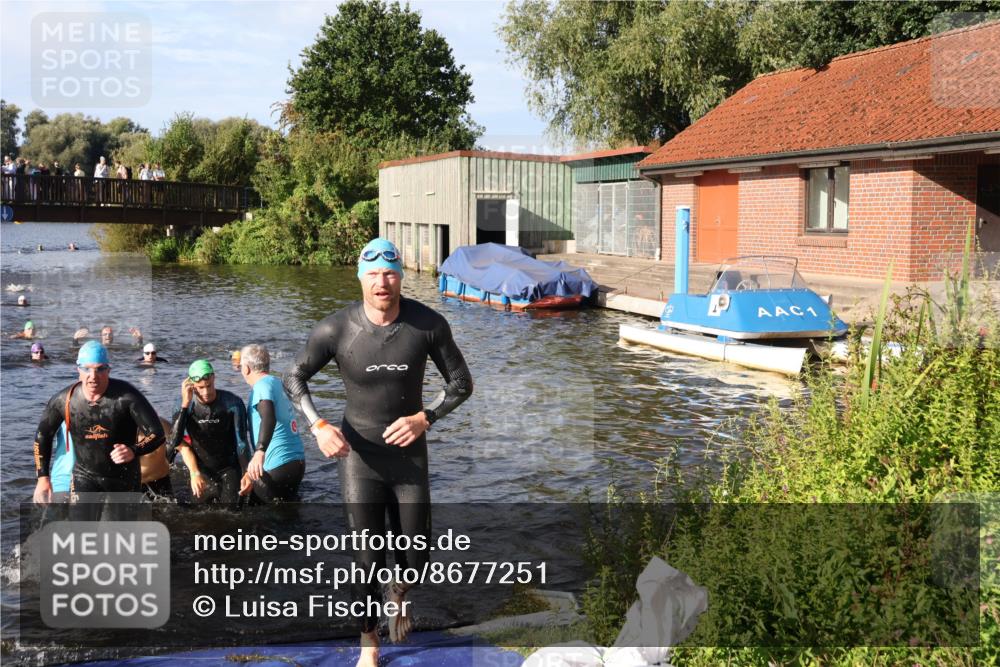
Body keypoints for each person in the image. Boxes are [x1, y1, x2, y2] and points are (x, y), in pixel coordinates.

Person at [283, 238, 473, 662]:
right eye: (373, 275)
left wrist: (426, 417)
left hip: (409, 458)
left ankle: (399, 592)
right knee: (365, 561)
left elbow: (461, 384)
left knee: (418, 558)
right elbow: (293, 377)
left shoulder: (428, 325)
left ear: (401, 276)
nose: (382, 282)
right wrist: (318, 426)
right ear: (360, 279)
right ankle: (369, 642)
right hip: (358, 459)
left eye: (389, 274)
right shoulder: (336, 329)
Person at [31, 341, 165, 518]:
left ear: (108, 370)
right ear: (78, 369)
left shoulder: (127, 397)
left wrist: (134, 450)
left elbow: (157, 433)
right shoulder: (64, 400)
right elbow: (42, 436)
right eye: (87, 369)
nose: (93, 376)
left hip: (122, 478)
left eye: (100, 369)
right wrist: (43, 479)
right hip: (84, 476)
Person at [169, 360, 250, 506]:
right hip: (201, 471)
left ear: (214, 378)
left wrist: (246, 472)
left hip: (229, 468)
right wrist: (185, 404)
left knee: (232, 514)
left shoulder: (232, 403)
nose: (206, 392)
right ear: (191, 385)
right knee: (197, 514)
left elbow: (242, 441)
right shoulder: (184, 404)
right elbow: (174, 441)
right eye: (200, 387)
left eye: (209, 386)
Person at [241, 344, 305, 503]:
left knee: (262, 521)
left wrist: (259, 452)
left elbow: (269, 417)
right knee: (289, 516)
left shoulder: (261, 387)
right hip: (297, 463)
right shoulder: (277, 383)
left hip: (275, 466)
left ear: (247, 369)